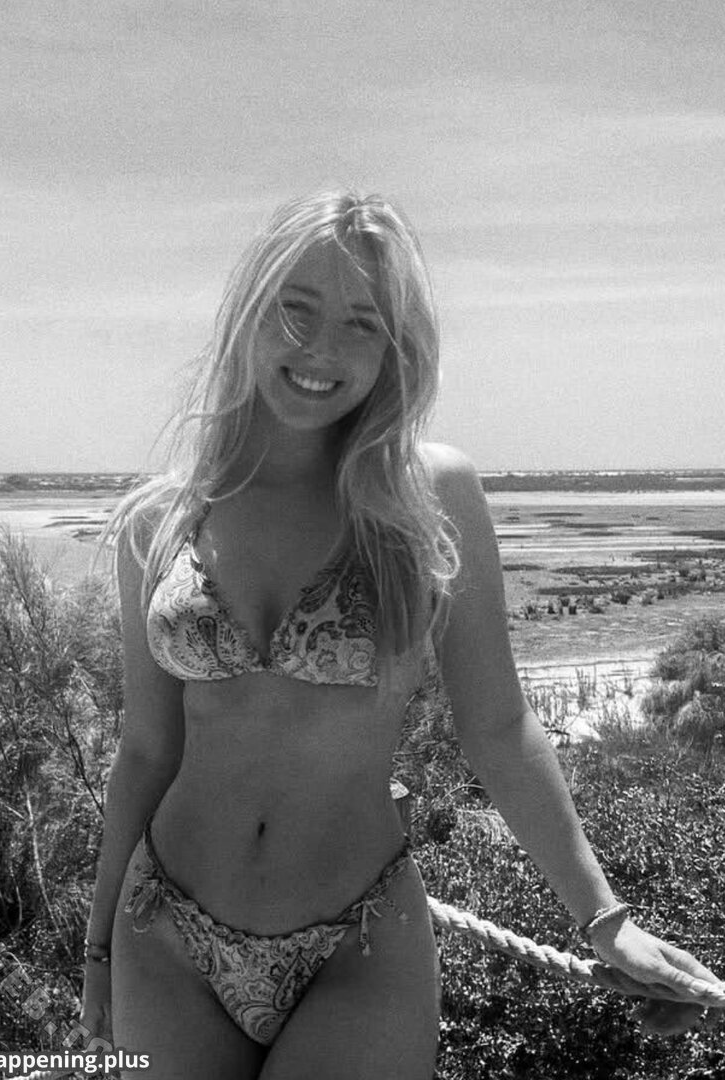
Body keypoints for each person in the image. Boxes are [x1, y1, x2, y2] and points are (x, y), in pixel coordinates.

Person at [81, 190, 721, 1079]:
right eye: (295, 311)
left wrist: (606, 920)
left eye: (362, 324)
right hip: (163, 931)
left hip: (359, 938)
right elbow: (147, 749)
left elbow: (498, 728)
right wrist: (98, 948)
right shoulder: (161, 520)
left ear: (395, 347)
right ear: (247, 313)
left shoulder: (425, 499)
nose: (322, 350)